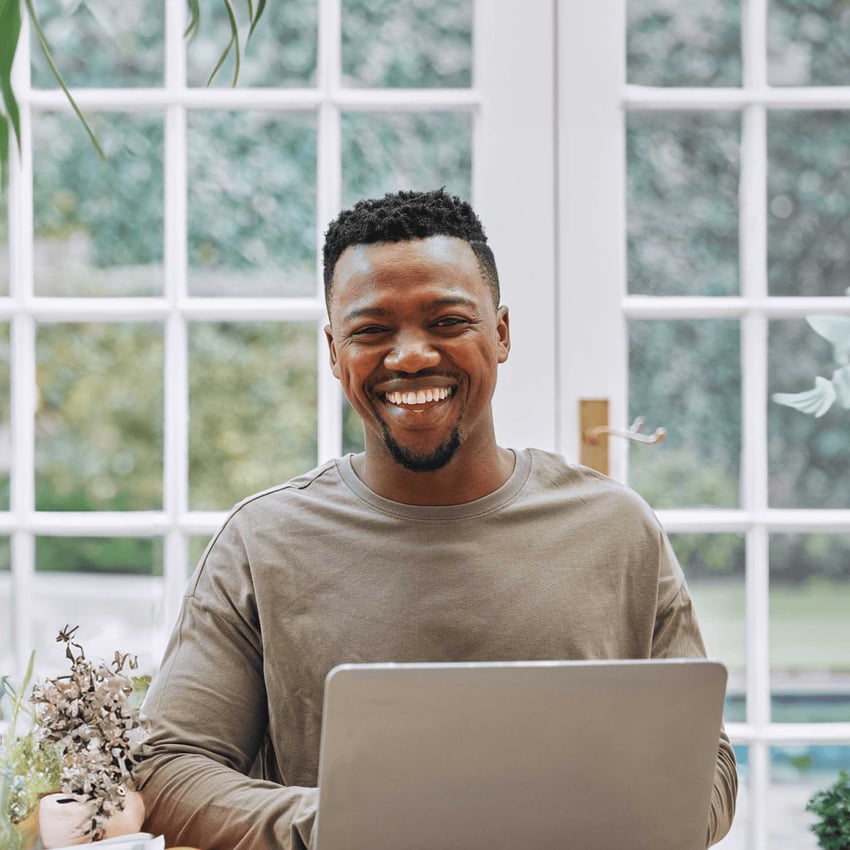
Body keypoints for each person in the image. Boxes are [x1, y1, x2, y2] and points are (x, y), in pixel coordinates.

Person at [135, 188, 737, 849]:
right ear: (334, 351)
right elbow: (165, 768)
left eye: (448, 321)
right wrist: (341, 823)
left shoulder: (617, 530)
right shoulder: (263, 540)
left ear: (501, 333)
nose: (412, 356)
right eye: (371, 331)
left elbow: (708, 768)